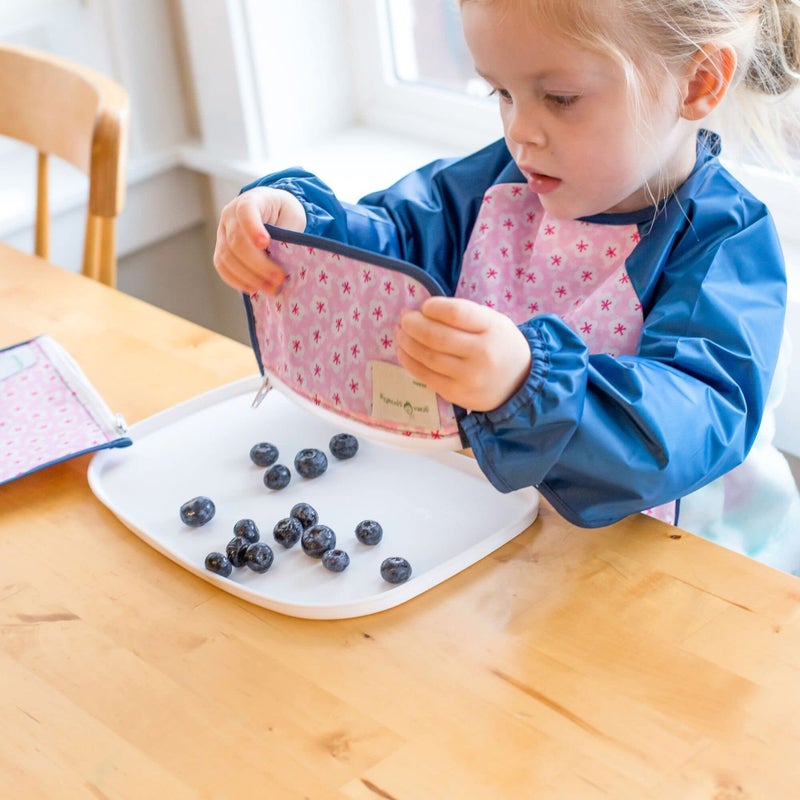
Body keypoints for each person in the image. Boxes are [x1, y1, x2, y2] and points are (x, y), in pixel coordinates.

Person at [214, 0, 800, 574]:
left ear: (698, 81)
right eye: (502, 93)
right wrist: (305, 228)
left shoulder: (723, 241)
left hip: (685, 569)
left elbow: (695, 416)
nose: (520, 132)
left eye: (560, 98)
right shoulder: (497, 183)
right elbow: (396, 241)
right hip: (521, 539)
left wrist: (532, 383)